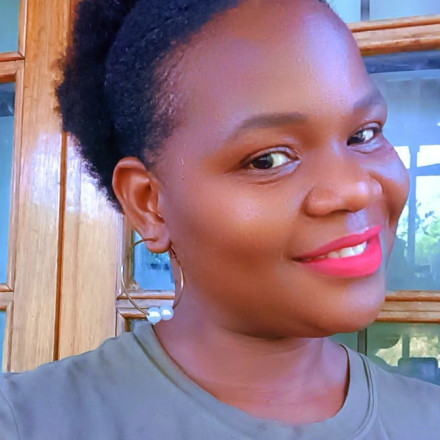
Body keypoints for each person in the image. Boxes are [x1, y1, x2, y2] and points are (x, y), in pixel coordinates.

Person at [1, 0, 439, 438]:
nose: (357, 189)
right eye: (268, 160)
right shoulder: (29, 422)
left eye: (364, 134)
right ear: (149, 203)